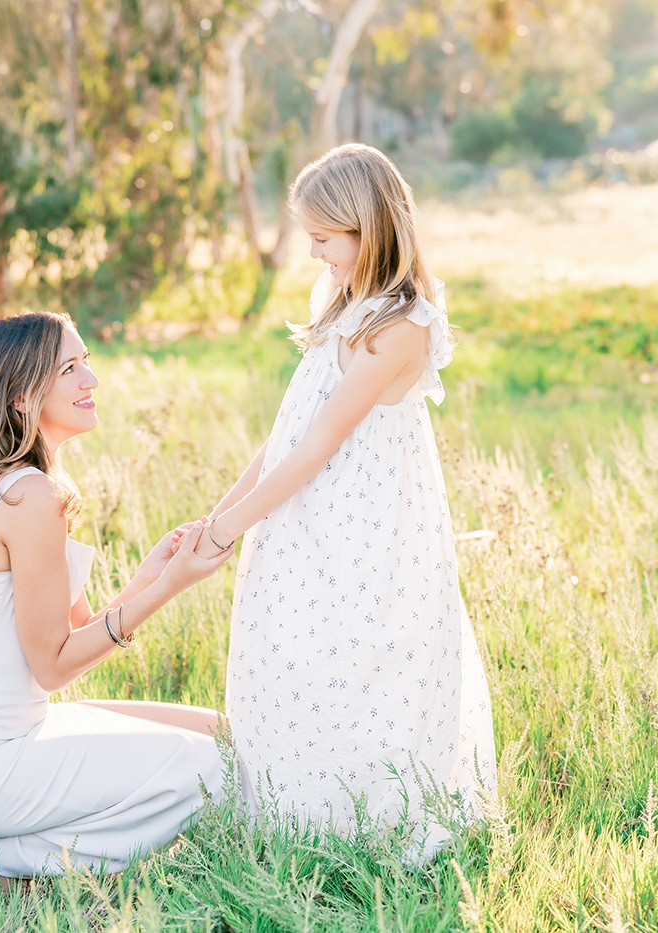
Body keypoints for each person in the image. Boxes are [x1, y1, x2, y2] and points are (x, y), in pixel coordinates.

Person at [195, 144, 497, 859]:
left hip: (365, 528)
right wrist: (222, 512)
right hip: (306, 514)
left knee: (361, 659)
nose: (312, 252)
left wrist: (235, 525)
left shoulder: (402, 324)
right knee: (292, 654)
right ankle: (294, 812)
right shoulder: (341, 303)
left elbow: (321, 443)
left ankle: (361, 820)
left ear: (368, 230)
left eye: (324, 239)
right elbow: (286, 431)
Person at [0, 311, 231, 879]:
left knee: (216, 735)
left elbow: (71, 633)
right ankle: (16, 857)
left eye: (87, 364)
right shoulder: (30, 496)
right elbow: (53, 668)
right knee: (212, 769)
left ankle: (29, 840)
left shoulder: (19, 486)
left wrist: (150, 577)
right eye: (69, 369)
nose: (90, 381)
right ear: (23, 398)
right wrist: (174, 587)